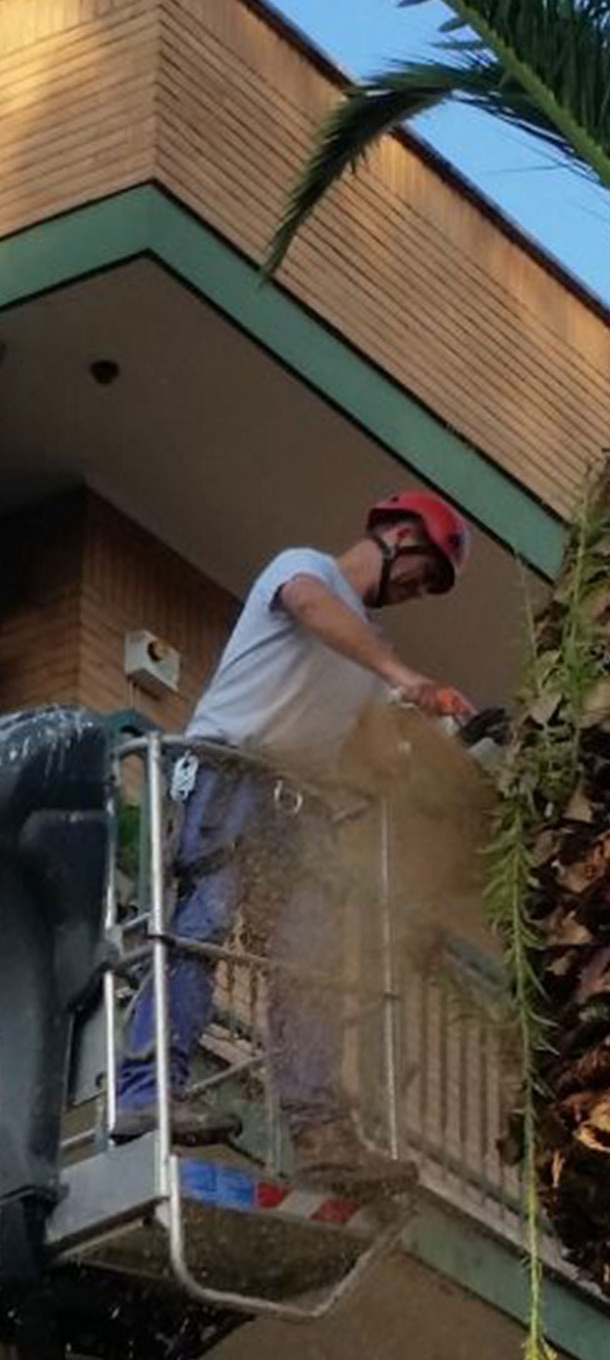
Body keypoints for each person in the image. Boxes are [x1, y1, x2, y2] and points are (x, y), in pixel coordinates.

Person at [113, 491, 475, 1191]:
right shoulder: (306, 571)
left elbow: (375, 750)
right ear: (400, 534)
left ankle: (319, 1132)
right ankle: (147, 1092)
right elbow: (313, 609)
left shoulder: (369, 652)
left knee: (310, 960)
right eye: (425, 570)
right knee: (200, 925)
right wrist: (405, 678)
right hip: (225, 774)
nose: (420, 589)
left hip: (292, 804)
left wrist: (446, 755)